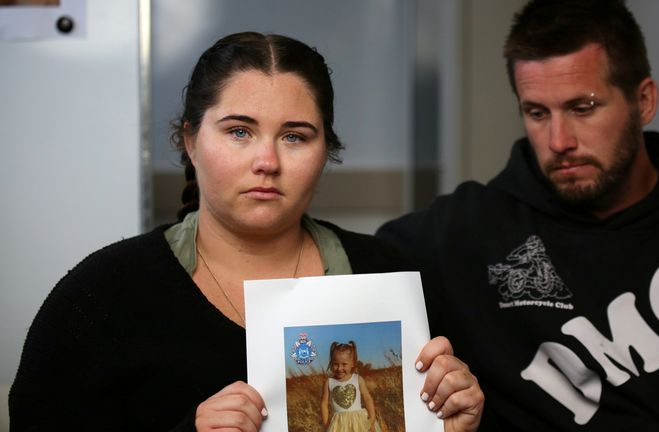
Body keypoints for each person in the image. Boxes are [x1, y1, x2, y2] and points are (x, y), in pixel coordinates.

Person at [10, 32, 484, 432]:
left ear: (326, 152)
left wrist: (456, 421)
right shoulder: (101, 296)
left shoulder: (388, 279)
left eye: (295, 136)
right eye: (239, 131)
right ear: (191, 141)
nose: (267, 162)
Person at [376, 0, 659, 430]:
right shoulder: (465, 231)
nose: (559, 140)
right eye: (537, 113)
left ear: (644, 100)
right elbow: (340, 269)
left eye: (583, 108)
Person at [321, 341, 381, 432]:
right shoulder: (329, 382)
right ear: (331, 363)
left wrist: (372, 418)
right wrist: (326, 424)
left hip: (359, 422)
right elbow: (324, 404)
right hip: (339, 425)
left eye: (344, 364)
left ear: (352, 363)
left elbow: (367, 398)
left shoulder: (358, 379)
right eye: (336, 364)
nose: (340, 368)